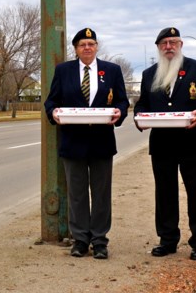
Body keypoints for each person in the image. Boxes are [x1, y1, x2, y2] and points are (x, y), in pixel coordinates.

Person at [44, 27, 129, 260]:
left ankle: (100, 241)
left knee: (101, 194)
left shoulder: (111, 71)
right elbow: (51, 102)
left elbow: (122, 101)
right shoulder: (64, 71)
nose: (87, 48)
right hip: (73, 143)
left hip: (102, 142)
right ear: (76, 49)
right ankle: (80, 240)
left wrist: (119, 113)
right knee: (77, 194)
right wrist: (54, 114)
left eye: (91, 44)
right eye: (82, 45)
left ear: (97, 47)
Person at [134, 27, 196, 261]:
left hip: (193, 142)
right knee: (165, 194)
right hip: (162, 144)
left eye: (173, 42)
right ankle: (168, 240)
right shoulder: (150, 74)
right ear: (158, 48)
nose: (168, 47)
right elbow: (142, 104)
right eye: (164, 44)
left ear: (180, 45)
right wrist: (139, 118)